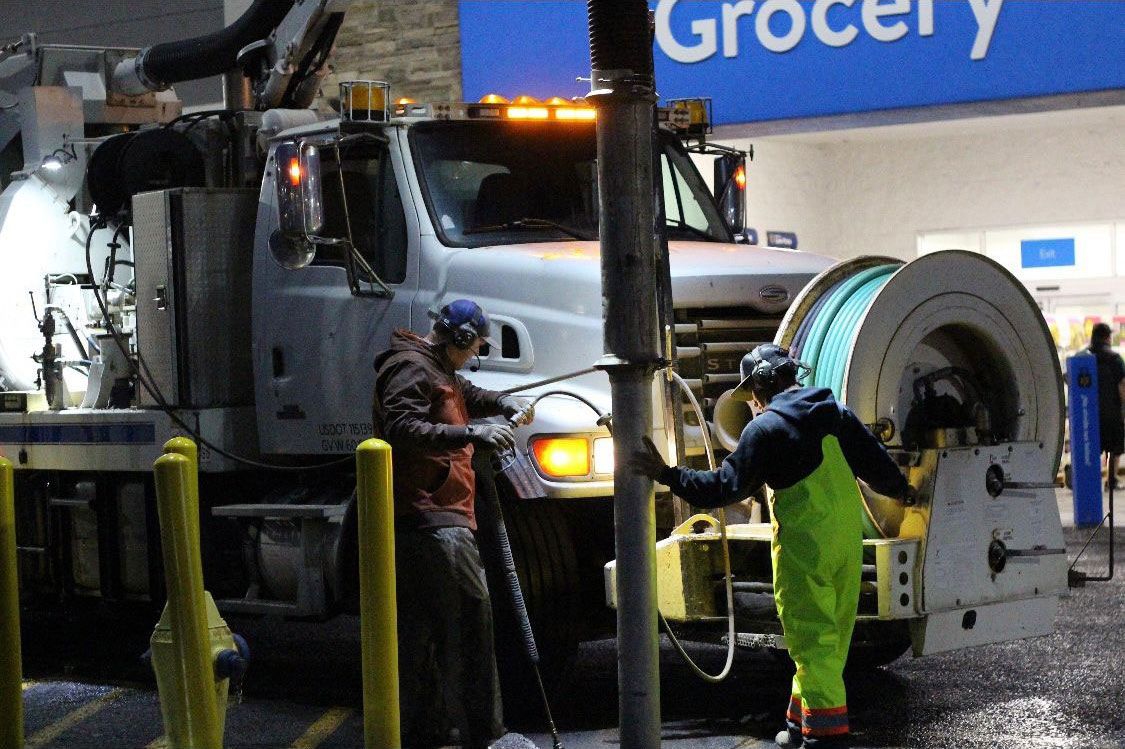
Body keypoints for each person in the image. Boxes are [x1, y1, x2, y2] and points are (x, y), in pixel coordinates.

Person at [629, 344, 912, 748]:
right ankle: (797, 725)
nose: (754, 405)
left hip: (805, 553)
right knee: (829, 642)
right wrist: (905, 491)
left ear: (760, 387)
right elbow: (877, 467)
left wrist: (666, 474)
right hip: (848, 547)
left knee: (811, 644)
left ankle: (826, 737)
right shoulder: (836, 413)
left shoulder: (765, 431)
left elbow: (722, 487)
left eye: (753, 396)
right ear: (793, 376)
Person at [372, 298, 534, 749]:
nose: (473, 357)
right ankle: (485, 736)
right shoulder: (411, 368)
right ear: (460, 339)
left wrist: (502, 403)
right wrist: (470, 434)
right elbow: (401, 428)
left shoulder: (434, 367)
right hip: (430, 516)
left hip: (438, 514)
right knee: (470, 621)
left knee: (424, 630)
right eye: (475, 347)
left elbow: (462, 393)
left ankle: (428, 731)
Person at [1087, 322, 1125, 491]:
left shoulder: (1085, 358)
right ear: (1108, 337)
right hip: (1112, 411)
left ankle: (1092, 481)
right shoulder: (1116, 359)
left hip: (1089, 412)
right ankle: (1112, 480)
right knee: (1115, 448)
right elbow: (1122, 384)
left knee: (1093, 449)